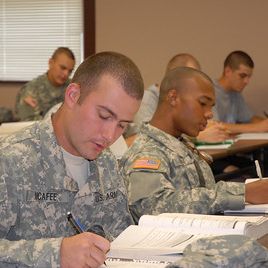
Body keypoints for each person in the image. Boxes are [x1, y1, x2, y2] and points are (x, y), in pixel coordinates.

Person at [0, 51, 144, 267]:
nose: (110, 136)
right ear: (73, 95)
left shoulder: (107, 163)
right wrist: (55, 254)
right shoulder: (11, 160)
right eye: (104, 116)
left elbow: (121, 237)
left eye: (122, 125)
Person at [120, 67, 268, 223]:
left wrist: (246, 191)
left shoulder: (182, 142)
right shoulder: (147, 152)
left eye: (211, 106)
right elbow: (152, 207)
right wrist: (242, 195)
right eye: (203, 103)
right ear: (173, 98)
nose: (209, 113)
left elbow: (203, 192)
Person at [125, 53, 230, 146]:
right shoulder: (147, 99)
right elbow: (146, 138)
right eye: (202, 103)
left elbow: (213, 124)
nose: (208, 114)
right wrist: (198, 137)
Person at [213, 50, 268, 134]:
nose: (246, 81)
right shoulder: (209, 90)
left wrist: (264, 123)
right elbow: (213, 126)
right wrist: (256, 127)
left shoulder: (235, 93)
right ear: (228, 71)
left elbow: (249, 118)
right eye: (242, 76)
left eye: (249, 77)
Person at [15, 47, 76, 121]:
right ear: (51, 63)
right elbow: (29, 124)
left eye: (70, 71)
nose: (66, 74)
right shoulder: (32, 89)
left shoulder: (73, 88)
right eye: (62, 68)